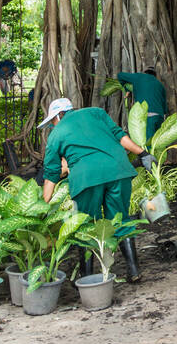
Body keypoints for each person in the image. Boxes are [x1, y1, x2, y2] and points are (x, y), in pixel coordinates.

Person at [38, 97, 151, 281]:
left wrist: (43, 205)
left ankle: (86, 277)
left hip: (86, 178)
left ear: (59, 115)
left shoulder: (56, 134)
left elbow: (51, 173)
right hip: (117, 170)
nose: (52, 125)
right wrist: (143, 153)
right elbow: (120, 136)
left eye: (52, 121)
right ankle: (134, 271)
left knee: (86, 226)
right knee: (120, 219)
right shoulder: (96, 113)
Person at [116, 68, 166, 141]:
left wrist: (127, 89)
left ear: (144, 73)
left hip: (148, 115)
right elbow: (164, 106)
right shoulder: (160, 85)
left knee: (147, 142)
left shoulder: (139, 77)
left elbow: (120, 75)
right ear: (155, 76)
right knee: (158, 142)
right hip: (160, 116)